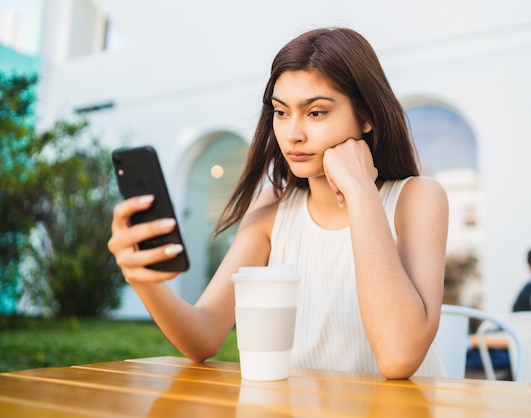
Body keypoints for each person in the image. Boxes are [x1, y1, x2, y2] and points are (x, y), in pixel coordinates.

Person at [107, 27, 449, 379]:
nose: (292, 134)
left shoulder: (418, 197)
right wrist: (142, 278)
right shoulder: (273, 209)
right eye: (281, 112)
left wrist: (361, 191)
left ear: (367, 118)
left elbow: (398, 356)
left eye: (316, 112)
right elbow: (204, 335)